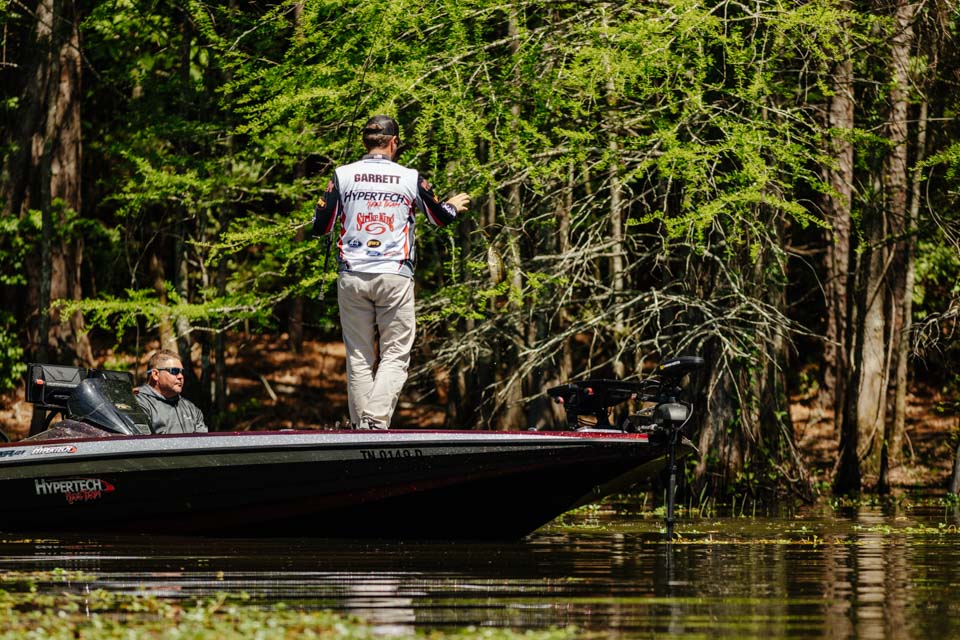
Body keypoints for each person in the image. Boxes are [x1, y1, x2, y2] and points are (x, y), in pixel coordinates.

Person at [312, 114, 470, 430]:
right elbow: (440, 217)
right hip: (394, 275)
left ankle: (362, 429)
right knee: (395, 354)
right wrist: (452, 205)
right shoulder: (410, 177)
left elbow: (321, 225)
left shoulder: (342, 175)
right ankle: (374, 422)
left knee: (359, 356)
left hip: (352, 274)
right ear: (394, 142)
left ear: (364, 142)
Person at [135, 349, 208, 434]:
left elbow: (202, 440)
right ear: (155, 374)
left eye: (181, 372)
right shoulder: (138, 404)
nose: (180, 376)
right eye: (174, 371)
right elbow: (141, 440)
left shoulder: (191, 409)